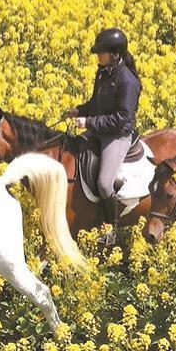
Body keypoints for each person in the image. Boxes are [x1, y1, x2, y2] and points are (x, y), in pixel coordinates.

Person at [66, 27, 143, 247]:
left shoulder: (127, 81)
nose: (98, 56)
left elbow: (122, 118)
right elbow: (97, 104)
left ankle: (112, 229)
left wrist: (89, 122)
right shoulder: (104, 72)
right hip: (99, 129)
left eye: (101, 52)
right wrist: (80, 111)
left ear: (115, 54)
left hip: (117, 136)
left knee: (104, 183)